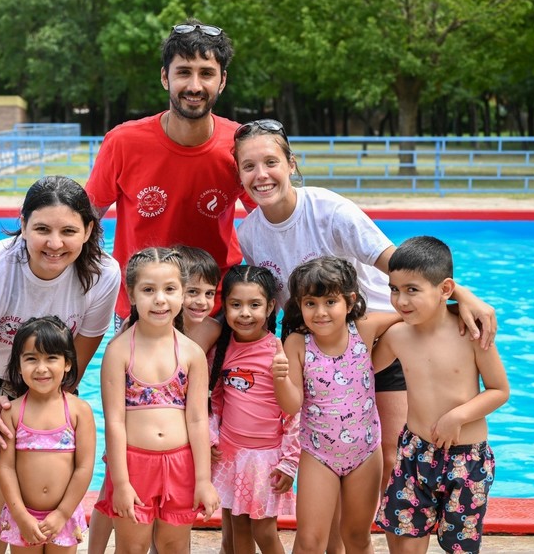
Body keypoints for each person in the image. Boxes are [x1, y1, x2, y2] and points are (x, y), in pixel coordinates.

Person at [232, 119, 498, 501]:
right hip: (322, 355)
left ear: (291, 164)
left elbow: (397, 263)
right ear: (239, 173)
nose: (262, 175)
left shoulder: (330, 210)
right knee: (329, 461)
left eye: (271, 162)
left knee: (392, 458)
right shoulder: (250, 233)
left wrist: (462, 295)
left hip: (378, 340)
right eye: (249, 166)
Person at [0, 175, 120, 554]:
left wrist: (57, 399)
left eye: (69, 231)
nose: (55, 244)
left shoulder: (104, 275)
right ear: (23, 226)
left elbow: (81, 350)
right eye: (42, 229)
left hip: (43, 372)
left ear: (89, 229)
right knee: (1, 458)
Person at [85, 19, 253, 327]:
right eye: (183, 72)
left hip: (213, 308)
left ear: (223, 80)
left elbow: (273, 219)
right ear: (165, 77)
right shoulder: (124, 142)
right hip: (142, 305)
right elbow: (86, 219)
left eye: (206, 73)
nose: (194, 86)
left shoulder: (240, 145)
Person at [373, 236, 509, 554]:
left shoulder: (471, 332)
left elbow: (499, 390)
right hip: (413, 455)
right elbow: (362, 370)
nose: (401, 300)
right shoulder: (397, 335)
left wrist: (457, 416)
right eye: (394, 289)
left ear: (445, 289)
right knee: (405, 545)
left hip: (467, 460)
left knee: (459, 547)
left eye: (412, 290)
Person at [272, 257, 401, 553]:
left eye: (330, 301)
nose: (320, 312)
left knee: (356, 538)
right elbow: (292, 406)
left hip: (365, 453)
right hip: (319, 454)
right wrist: (281, 380)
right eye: (310, 303)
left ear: (350, 300)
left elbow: (407, 315)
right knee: (308, 541)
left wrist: (458, 307)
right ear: (299, 306)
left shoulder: (365, 330)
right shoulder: (297, 344)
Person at [96, 247, 219, 553]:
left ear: (182, 294)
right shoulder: (120, 351)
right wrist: (120, 482)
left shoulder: (191, 353)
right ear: (132, 294)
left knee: (174, 546)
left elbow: (197, 419)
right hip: (134, 464)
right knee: (133, 546)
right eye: (148, 290)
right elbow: (114, 420)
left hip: (181, 464)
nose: (160, 299)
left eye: (170, 289)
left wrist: (203, 480)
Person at [208, 265, 298, 554]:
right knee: (237, 529)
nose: (244, 313)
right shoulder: (220, 349)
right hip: (231, 454)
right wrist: (211, 437)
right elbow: (216, 401)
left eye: (254, 304)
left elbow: (293, 414)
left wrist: (289, 461)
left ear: (271, 306)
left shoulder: (278, 350)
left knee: (264, 531)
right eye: (236, 305)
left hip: (264, 459)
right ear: (225, 306)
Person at [0, 316, 96, 552]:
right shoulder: (12, 413)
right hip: (23, 515)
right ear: (19, 366)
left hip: (64, 514)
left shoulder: (79, 412)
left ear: (68, 363)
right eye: (31, 359)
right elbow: (6, 467)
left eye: (52, 358)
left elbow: (84, 467)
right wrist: (20, 515)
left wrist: (62, 513)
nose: (41, 368)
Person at [173, 244, 222, 352]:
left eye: (209, 293)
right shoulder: (144, 324)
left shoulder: (212, 329)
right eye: (193, 292)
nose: (202, 301)